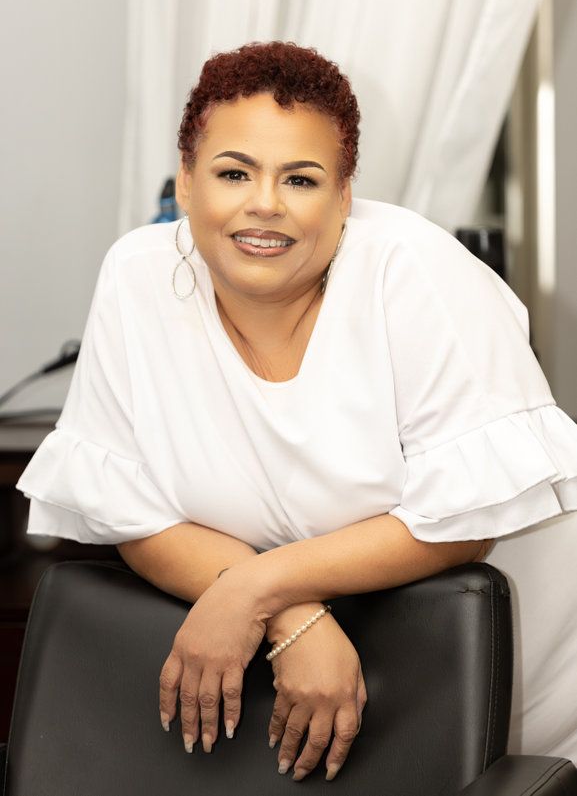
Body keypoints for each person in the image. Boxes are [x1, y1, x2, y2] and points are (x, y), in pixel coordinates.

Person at [16, 41, 577, 783]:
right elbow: (130, 512)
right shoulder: (136, 279)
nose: (265, 204)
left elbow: (466, 521)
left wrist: (253, 590)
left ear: (344, 197)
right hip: (321, 677)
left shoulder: (415, 270)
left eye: (301, 179)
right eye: (233, 172)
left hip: (529, 674)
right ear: (185, 180)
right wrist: (287, 614)